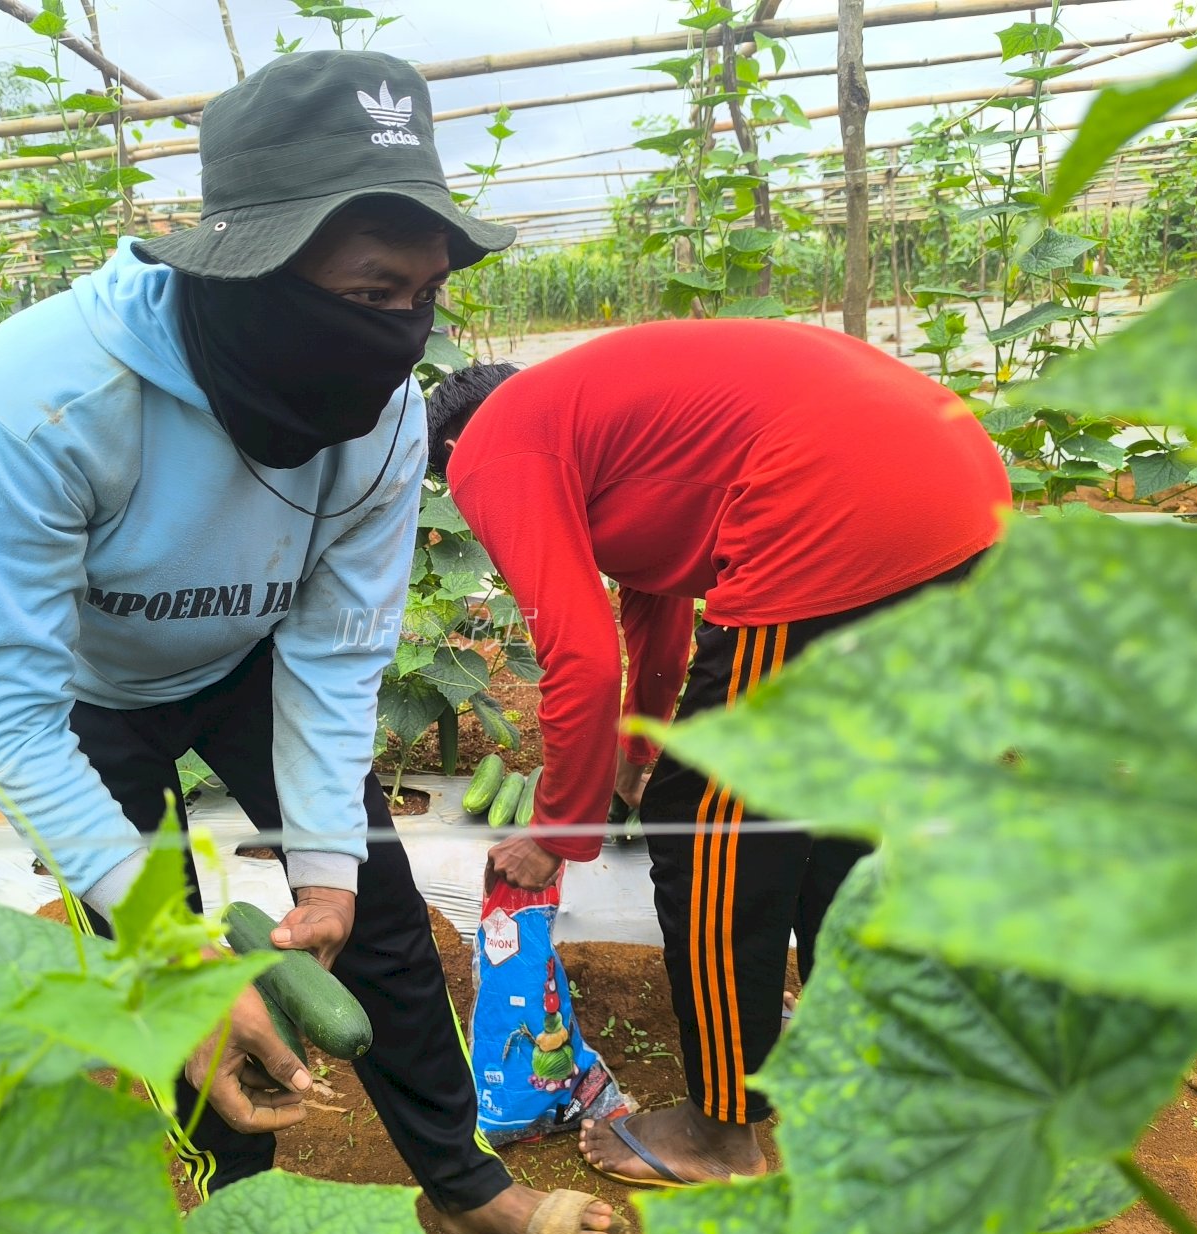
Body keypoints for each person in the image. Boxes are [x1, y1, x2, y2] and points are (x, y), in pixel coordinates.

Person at [0, 49, 626, 1234]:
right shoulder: (44, 397)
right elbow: (6, 705)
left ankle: (462, 1189)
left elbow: (332, 651)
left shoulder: (388, 420)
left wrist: (329, 873)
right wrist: (170, 948)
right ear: (252, 264)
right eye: (373, 292)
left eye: (425, 295)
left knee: (382, 921)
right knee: (181, 966)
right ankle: (235, 1205)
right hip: (89, 704)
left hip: (252, 665)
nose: (403, 334)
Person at [427, 320, 1011, 1187]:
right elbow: (654, 616)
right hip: (956, 493)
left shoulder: (492, 445)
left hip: (832, 507)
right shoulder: (588, 424)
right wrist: (632, 758)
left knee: (706, 819)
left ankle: (717, 1133)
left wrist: (560, 828)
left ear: (445, 452)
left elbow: (580, 653)